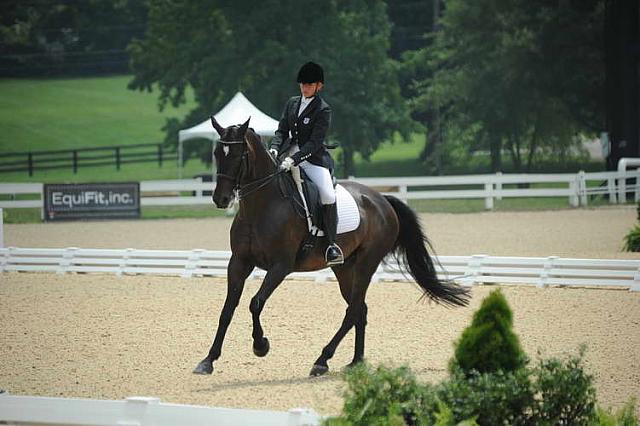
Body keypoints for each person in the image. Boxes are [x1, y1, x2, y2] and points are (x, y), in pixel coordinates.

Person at [269, 61, 343, 266]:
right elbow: (282, 130)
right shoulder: (292, 103)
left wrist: (295, 159)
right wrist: (275, 147)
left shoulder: (323, 109)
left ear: (319, 86)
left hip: (312, 159)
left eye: (309, 85)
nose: (305, 87)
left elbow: (314, 142)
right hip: (286, 154)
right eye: (303, 84)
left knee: (328, 194)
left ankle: (331, 245)